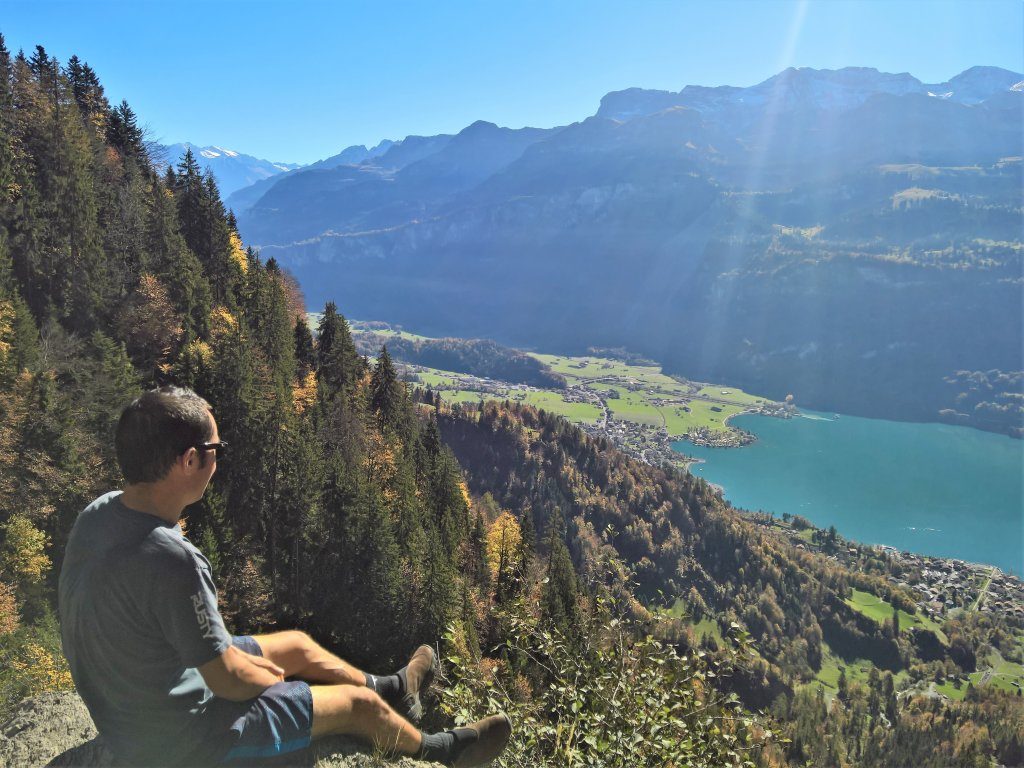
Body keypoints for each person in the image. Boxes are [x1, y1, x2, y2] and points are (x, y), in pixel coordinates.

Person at [58, 386, 511, 767]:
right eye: (216, 450)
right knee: (356, 707)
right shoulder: (174, 560)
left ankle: (395, 688)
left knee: (296, 644)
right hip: (181, 740)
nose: (219, 460)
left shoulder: (99, 513)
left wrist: (251, 667)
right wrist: (275, 683)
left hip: (140, 693)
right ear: (190, 460)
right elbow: (227, 681)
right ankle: (440, 752)